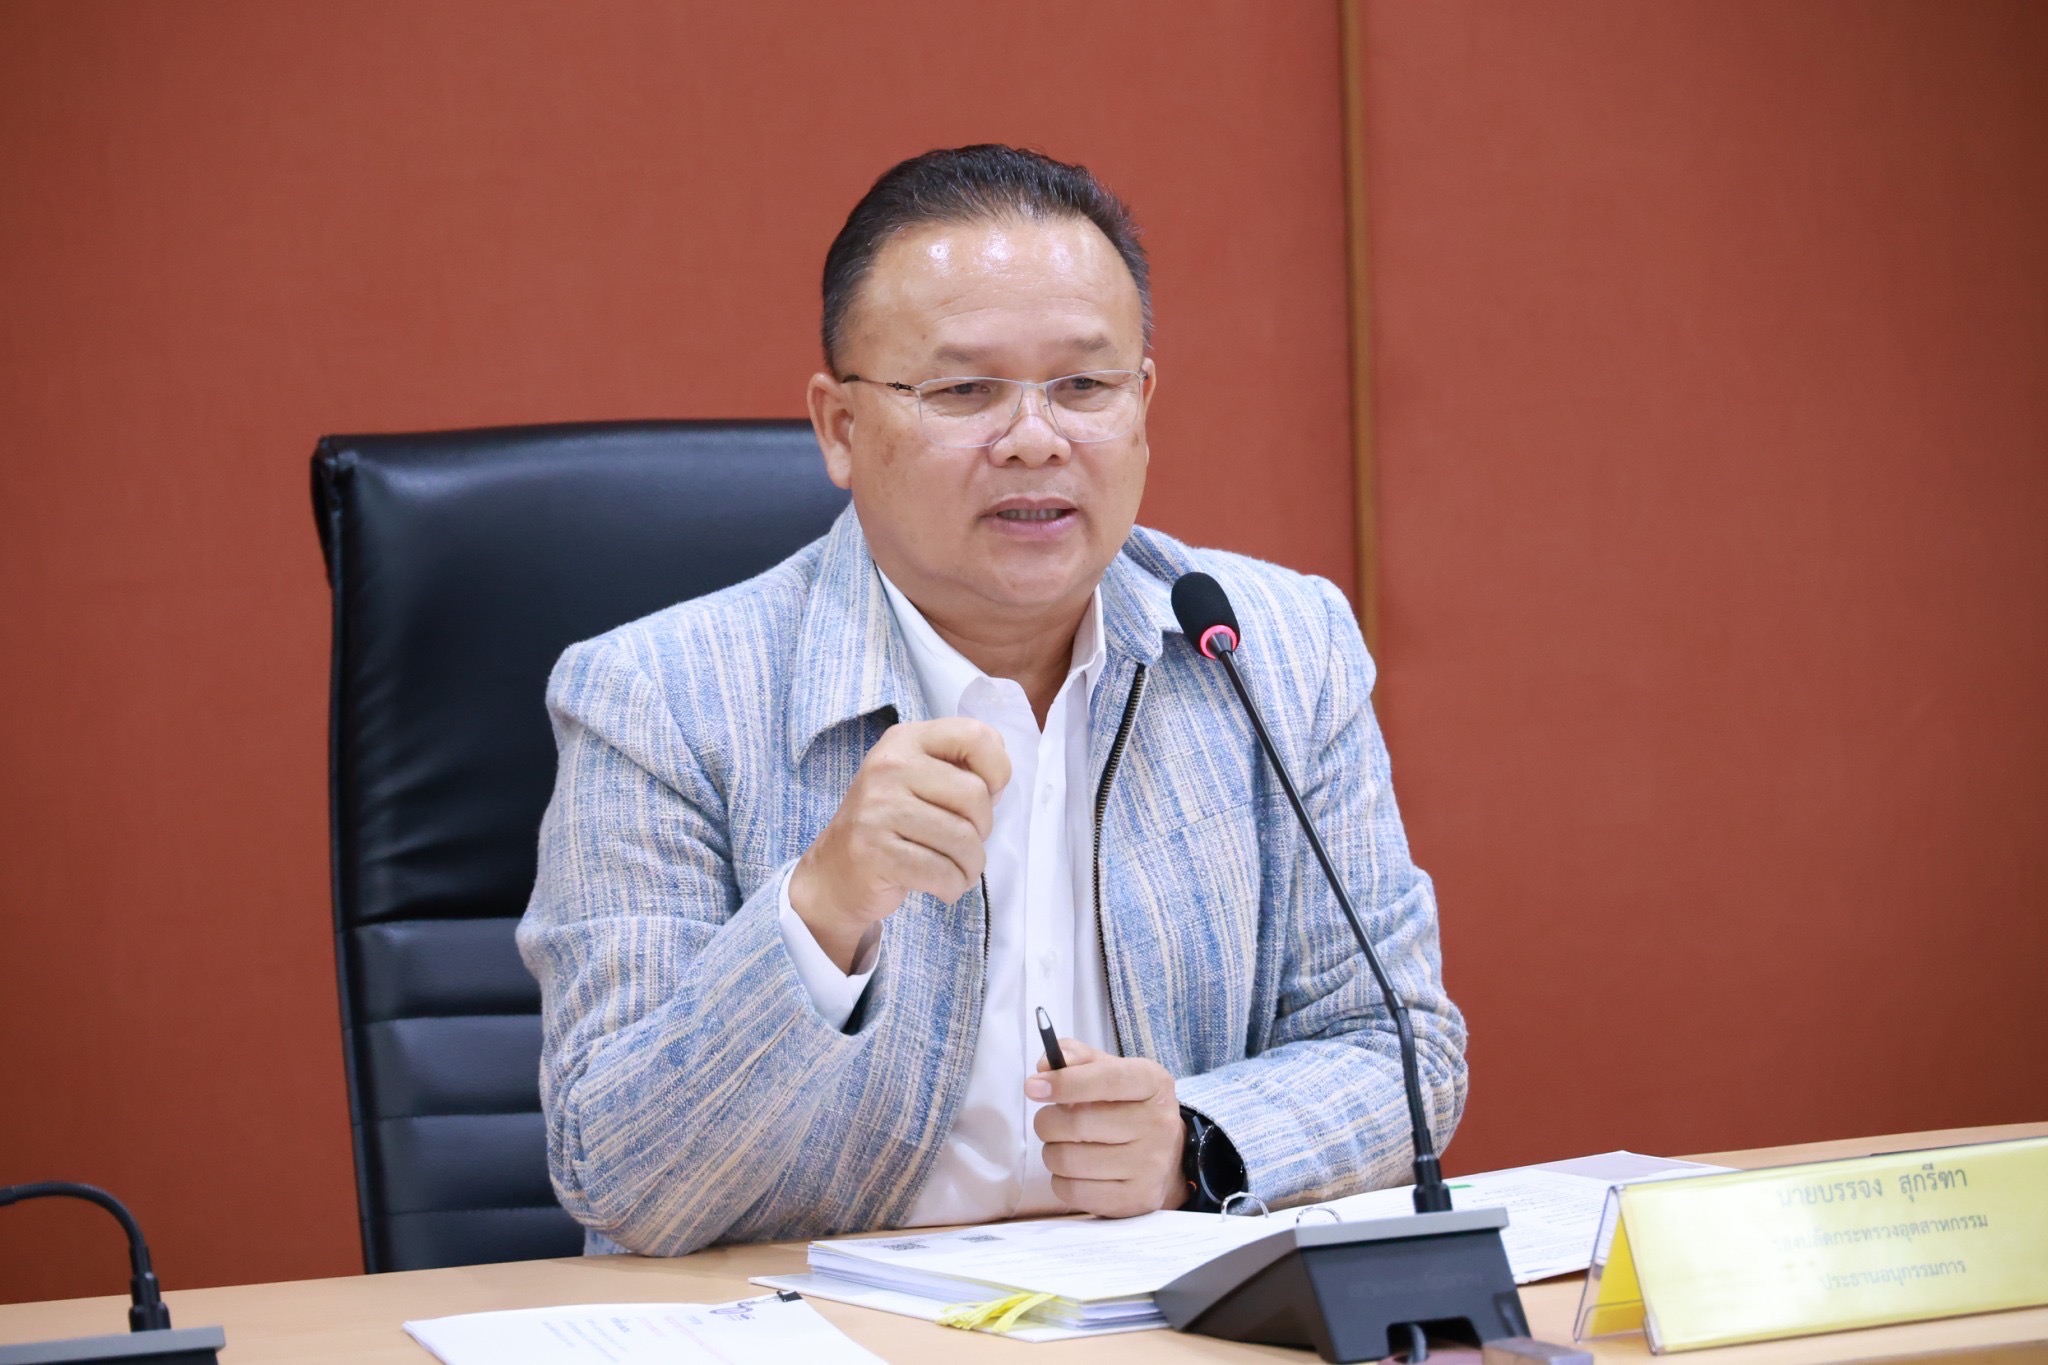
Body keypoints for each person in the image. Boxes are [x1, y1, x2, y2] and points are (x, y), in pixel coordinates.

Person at [518, 144, 1466, 1257]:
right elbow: (621, 1177)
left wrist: (1195, 1143)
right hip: (813, 1319)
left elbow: (1398, 1049)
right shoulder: (657, 699)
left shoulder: (1267, 649)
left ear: (1142, 405)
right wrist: (820, 910)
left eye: (1084, 386)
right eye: (964, 391)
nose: (1034, 438)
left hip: (1154, 1315)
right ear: (839, 429)